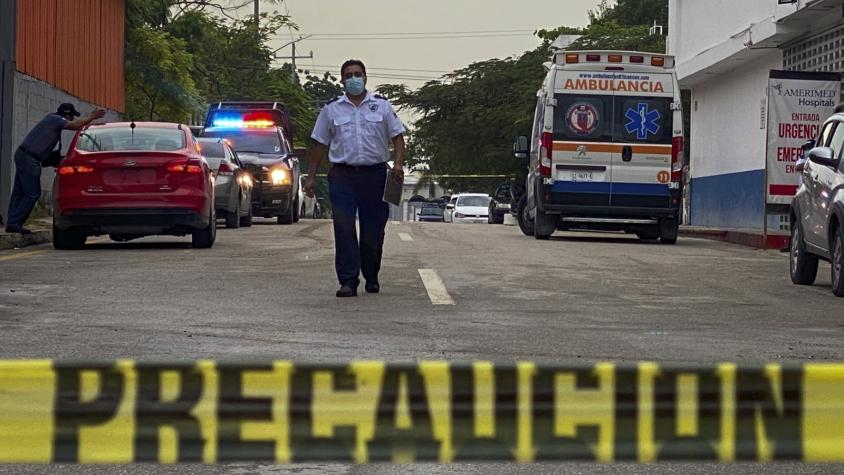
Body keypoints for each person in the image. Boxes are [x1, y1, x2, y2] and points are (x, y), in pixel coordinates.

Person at [305, 59, 406, 297]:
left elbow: (398, 137)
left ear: (366, 77)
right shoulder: (331, 109)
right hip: (343, 176)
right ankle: (348, 280)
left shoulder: (381, 106)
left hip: (375, 175)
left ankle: (371, 275)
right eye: (348, 75)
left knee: (373, 230)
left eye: (357, 74)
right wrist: (310, 177)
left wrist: (398, 163)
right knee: (344, 227)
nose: (353, 79)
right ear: (342, 80)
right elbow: (319, 143)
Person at [5, 103, 105, 234]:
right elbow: (76, 125)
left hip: (25, 155)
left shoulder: (52, 122)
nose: (73, 120)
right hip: (30, 159)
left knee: (20, 192)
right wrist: (93, 116)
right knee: (32, 194)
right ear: (67, 114)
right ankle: (15, 223)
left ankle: (12, 223)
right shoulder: (55, 119)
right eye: (72, 117)